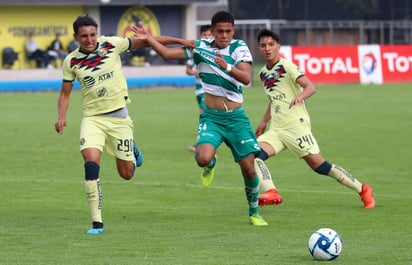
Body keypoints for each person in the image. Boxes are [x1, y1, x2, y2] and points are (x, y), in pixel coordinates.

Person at [54, 15, 194, 235]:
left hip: (119, 118)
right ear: (75, 37)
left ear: (97, 32)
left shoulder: (111, 44)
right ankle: (97, 223)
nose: (89, 40)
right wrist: (61, 116)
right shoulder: (71, 61)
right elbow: (65, 93)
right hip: (93, 120)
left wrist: (182, 41)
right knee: (91, 163)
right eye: (84, 36)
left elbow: (149, 40)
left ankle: (132, 148)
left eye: (92, 34)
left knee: (126, 174)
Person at [134, 11, 268, 226]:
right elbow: (168, 55)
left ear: (233, 31)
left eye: (228, 31)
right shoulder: (201, 47)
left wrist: (225, 65)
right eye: (220, 31)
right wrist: (148, 38)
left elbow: (245, 77)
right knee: (202, 158)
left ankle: (254, 212)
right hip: (212, 118)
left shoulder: (239, 47)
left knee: (249, 168)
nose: (224, 35)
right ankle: (211, 162)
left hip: (236, 119)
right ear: (212, 31)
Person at [253, 29, 375, 209]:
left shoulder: (287, 66)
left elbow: (310, 87)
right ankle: (272, 192)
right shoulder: (263, 73)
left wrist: (301, 97)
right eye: (263, 45)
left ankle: (362, 189)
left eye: (271, 44)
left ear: (278, 46)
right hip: (277, 129)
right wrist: (264, 121)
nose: (268, 48)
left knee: (319, 166)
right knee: (253, 155)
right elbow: (273, 100)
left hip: (296, 126)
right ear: (259, 49)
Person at [186, 25, 212, 153]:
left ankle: (200, 143)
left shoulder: (214, 50)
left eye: (209, 35)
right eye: (205, 35)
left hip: (209, 89)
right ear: (201, 36)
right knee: (205, 114)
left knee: (204, 114)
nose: (207, 37)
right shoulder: (195, 51)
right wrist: (197, 73)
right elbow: (188, 70)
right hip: (199, 89)